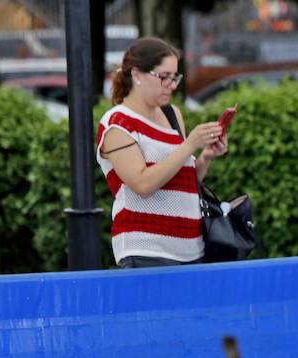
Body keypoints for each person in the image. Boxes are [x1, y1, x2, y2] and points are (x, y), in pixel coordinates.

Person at [96, 37, 227, 268]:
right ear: (136, 74)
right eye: (163, 77)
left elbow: (183, 180)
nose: (172, 85)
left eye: (175, 76)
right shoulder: (117, 123)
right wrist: (189, 145)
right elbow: (142, 184)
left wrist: (205, 156)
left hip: (191, 248)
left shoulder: (171, 114)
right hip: (146, 250)